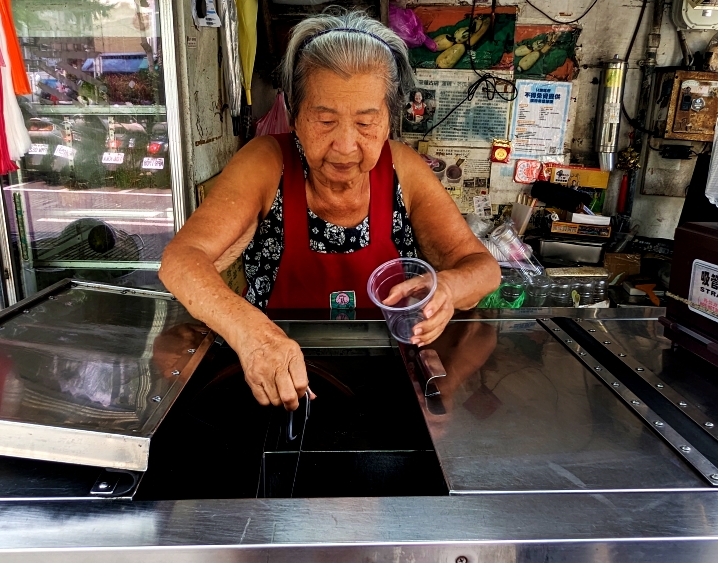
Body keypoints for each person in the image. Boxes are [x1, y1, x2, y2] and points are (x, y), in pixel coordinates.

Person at [159, 11, 500, 411]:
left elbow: (483, 268)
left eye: (366, 123)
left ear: (390, 119)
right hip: (278, 379)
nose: (345, 144)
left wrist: (448, 288)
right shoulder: (268, 162)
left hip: (388, 383)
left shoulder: (404, 169)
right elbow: (180, 260)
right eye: (325, 120)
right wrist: (252, 334)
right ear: (295, 115)